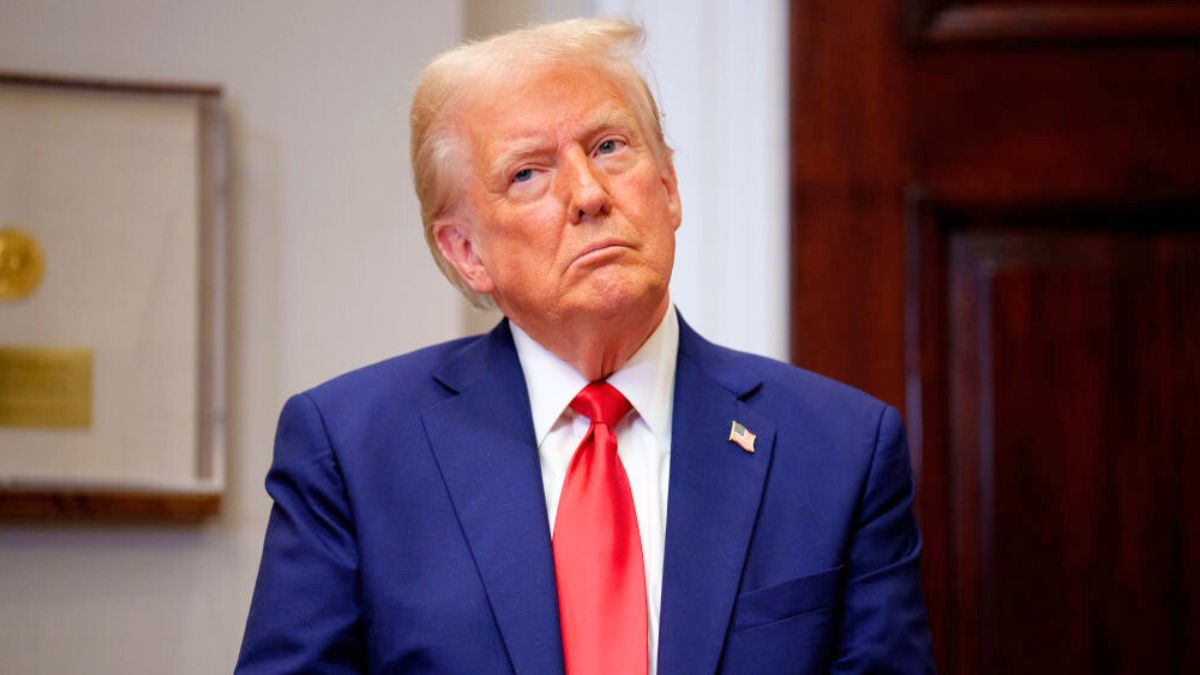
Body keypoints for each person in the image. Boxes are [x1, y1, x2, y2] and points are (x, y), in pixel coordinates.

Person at [236, 18, 934, 675]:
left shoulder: (841, 450)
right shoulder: (352, 452)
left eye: (608, 147)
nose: (589, 194)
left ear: (668, 188)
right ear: (465, 252)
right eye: (528, 173)